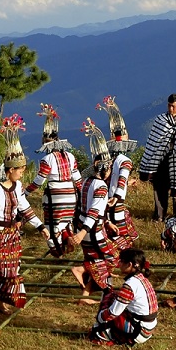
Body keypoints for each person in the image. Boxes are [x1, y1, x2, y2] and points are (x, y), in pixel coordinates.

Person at [0, 114, 50, 313]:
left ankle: (0, 302)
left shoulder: (17, 186)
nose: (22, 172)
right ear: (10, 169)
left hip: (12, 236)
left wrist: (40, 226)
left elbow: (25, 208)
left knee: (12, 270)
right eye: (20, 170)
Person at [69, 119, 119, 305]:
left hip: (85, 227)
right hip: (92, 231)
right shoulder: (100, 187)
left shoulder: (85, 182)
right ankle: (82, 270)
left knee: (95, 258)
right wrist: (82, 233)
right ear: (104, 168)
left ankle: (86, 295)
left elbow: (81, 208)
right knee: (111, 257)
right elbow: (93, 212)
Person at [24, 103, 81, 258]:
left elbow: (40, 180)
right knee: (67, 221)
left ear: (45, 140)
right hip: (71, 195)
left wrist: (26, 192)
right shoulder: (70, 156)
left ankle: (57, 251)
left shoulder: (47, 159)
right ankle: (68, 241)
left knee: (51, 225)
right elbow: (78, 179)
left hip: (55, 196)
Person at [139, 93, 176, 222]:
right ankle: (159, 215)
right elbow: (153, 140)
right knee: (160, 189)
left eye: (173, 106)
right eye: (169, 106)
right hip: (161, 160)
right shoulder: (160, 119)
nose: (170, 109)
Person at [95, 95, 139, 250]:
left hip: (106, 198)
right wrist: (118, 195)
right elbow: (121, 178)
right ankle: (120, 256)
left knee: (112, 229)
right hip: (115, 200)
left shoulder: (110, 159)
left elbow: (114, 178)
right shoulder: (124, 160)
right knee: (120, 231)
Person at [89, 249, 158, 346]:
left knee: (109, 300)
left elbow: (113, 313)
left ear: (129, 264)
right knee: (114, 297)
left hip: (139, 330)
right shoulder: (142, 279)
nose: (119, 264)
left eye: (121, 261)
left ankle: (107, 334)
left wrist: (99, 318)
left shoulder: (130, 285)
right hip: (148, 326)